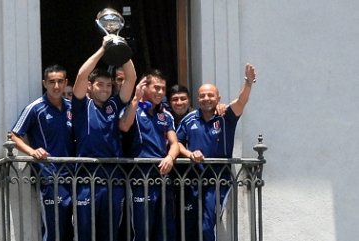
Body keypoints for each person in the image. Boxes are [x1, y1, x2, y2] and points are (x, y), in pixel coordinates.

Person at [176, 63, 257, 241]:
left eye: (210, 95)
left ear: (218, 97)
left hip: (218, 180)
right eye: (202, 95)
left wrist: (248, 82)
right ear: (198, 99)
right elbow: (176, 143)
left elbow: (241, 101)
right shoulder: (189, 119)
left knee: (206, 226)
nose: (206, 98)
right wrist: (190, 154)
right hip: (191, 180)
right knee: (190, 227)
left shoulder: (225, 115)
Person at [71, 35, 136, 241]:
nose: (106, 89)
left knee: (110, 232)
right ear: (90, 87)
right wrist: (103, 48)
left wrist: (120, 46)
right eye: (100, 85)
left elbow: (131, 78)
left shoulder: (113, 105)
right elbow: (82, 75)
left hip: (113, 176)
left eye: (109, 86)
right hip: (86, 176)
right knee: (84, 232)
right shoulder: (82, 105)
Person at [10, 64, 75, 241]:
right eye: (52, 82)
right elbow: (13, 135)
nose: (56, 86)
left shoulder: (72, 108)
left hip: (75, 175)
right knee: (54, 229)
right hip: (49, 176)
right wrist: (32, 152)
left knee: (74, 230)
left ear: (66, 83)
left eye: (60, 81)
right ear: (44, 83)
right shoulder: (35, 108)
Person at [119, 69, 180, 241]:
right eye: (156, 88)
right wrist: (136, 98)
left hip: (163, 178)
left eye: (163, 89)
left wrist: (170, 157)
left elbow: (174, 144)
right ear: (144, 87)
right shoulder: (132, 108)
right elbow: (124, 126)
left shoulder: (165, 114)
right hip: (139, 177)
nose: (160, 92)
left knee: (165, 231)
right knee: (141, 231)